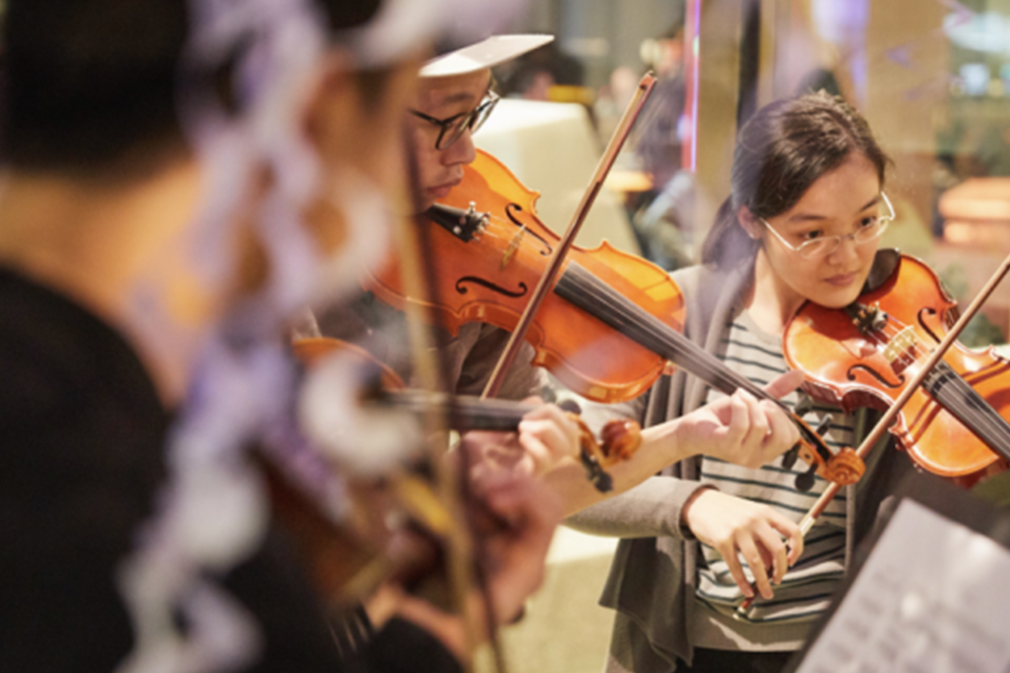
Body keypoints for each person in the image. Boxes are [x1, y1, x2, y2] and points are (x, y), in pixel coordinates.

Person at [0, 1, 554, 673]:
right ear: (314, 112)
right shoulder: (102, 491)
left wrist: (434, 626)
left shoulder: (102, 410)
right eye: (405, 124)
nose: (463, 163)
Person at [312, 35, 815, 517]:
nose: (466, 153)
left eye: (475, 116)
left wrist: (685, 438)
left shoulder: (466, 270)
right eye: (446, 121)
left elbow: (536, 477)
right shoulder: (267, 279)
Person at [567, 91, 932, 673]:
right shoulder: (674, 312)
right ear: (749, 220)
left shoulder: (898, 328)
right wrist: (692, 506)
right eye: (811, 233)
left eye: (867, 222)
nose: (847, 256)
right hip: (685, 659)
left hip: (839, 669)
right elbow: (575, 477)